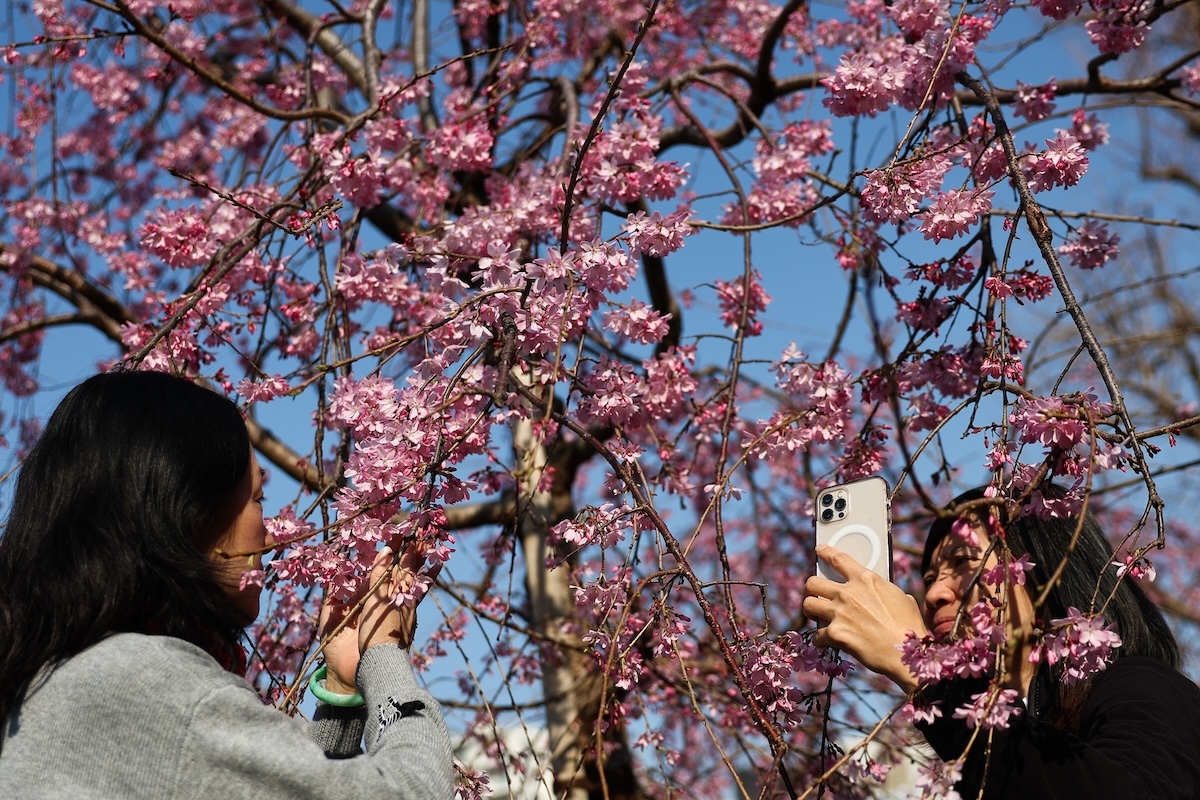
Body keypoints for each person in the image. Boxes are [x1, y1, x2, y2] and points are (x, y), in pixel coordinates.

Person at [0, 370, 455, 798]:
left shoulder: (57, 680)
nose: (272, 533)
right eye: (257, 498)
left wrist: (339, 691)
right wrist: (385, 652)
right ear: (189, 511)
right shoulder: (153, 684)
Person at [802, 483, 1200, 799]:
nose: (934, 595)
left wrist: (921, 666)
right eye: (928, 580)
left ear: (1044, 572)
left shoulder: (1143, 686)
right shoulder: (970, 755)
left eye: (962, 562)